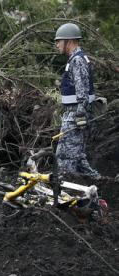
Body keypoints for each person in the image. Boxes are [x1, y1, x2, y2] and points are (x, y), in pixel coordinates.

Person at [53, 22, 98, 182]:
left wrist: (80, 114)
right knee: (77, 158)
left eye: (59, 41)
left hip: (75, 116)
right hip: (73, 114)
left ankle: (65, 193)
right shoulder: (75, 59)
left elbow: (82, 91)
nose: (57, 44)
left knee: (65, 157)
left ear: (69, 41)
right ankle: (102, 184)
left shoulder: (77, 61)